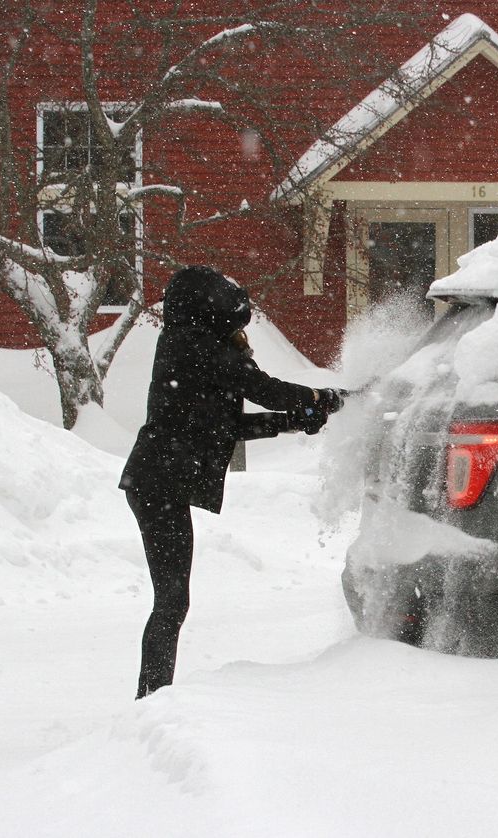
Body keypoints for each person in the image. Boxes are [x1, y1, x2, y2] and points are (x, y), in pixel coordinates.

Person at [119, 265, 342, 699]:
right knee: (172, 599)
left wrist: (294, 422)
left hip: (157, 481)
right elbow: (263, 388)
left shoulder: (196, 347)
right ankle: (150, 699)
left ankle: (151, 695)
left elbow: (226, 425)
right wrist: (320, 398)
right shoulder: (191, 345)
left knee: (172, 600)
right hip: (157, 483)